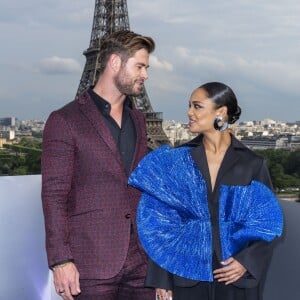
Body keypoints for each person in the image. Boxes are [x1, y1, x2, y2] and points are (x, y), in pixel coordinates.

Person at [128, 82, 283, 300]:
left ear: (220, 112)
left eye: (197, 106)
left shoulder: (252, 164)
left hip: (235, 276)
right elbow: (161, 224)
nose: (189, 112)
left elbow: (266, 224)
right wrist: (161, 280)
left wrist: (246, 262)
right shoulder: (177, 161)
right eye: (189, 106)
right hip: (185, 274)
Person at [41, 30, 156, 300]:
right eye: (140, 66)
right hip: (90, 262)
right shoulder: (65, 119)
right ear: (115, 62)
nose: (146, 75)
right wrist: (61, 261)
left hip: (141, 261)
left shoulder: (138, 120)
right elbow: (54, 195)